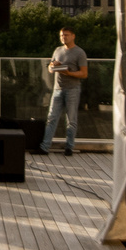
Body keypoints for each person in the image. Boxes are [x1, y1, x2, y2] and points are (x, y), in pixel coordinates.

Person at [41, 26, 89, 155]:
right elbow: (50, 68)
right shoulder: (58, 50)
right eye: (62, 35)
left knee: (71, 120)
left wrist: (69, 73)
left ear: (73, 36)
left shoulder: (79, 52)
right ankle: (45, 147)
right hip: (57, 89)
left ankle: (69, 147)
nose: (64, 37)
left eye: (66, 35)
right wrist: (53, 66)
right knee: (51, 118)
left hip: (72, 89)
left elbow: (84, 73)